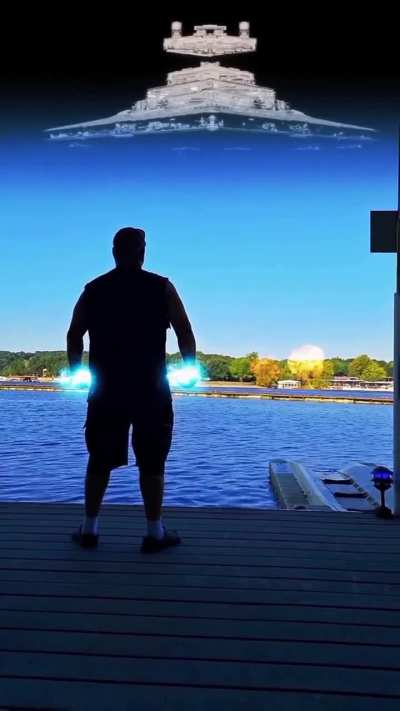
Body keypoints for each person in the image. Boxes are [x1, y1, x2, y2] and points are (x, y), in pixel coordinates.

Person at [67, 227, 196, 553]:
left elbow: (74, 334)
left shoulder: (94, 289)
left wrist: (76, 369)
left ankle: (90, 530)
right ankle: (154, 533)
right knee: (153, 462)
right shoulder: (161, 287)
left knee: (99, 459)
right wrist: (189, 366)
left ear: (114, 252)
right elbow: (184, 331)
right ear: (143, 252)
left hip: (106, 389)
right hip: (151, 389)